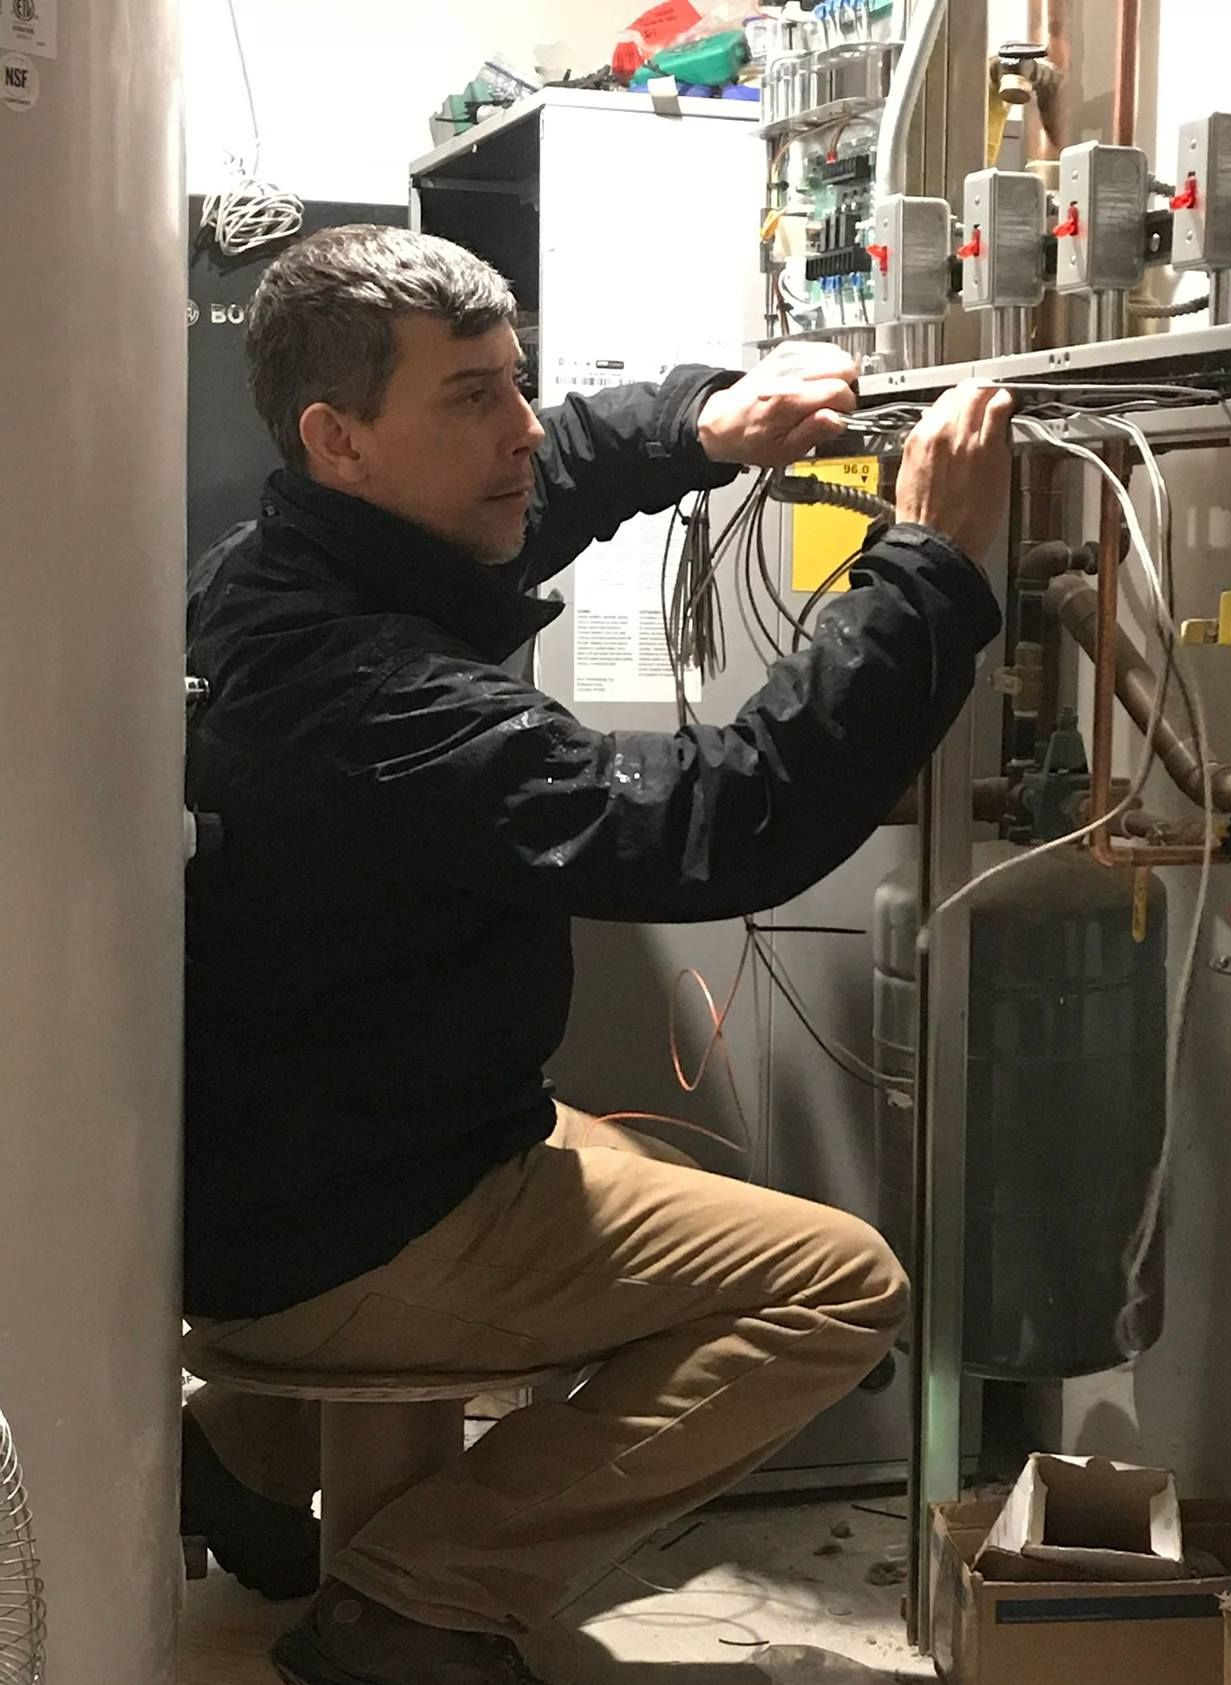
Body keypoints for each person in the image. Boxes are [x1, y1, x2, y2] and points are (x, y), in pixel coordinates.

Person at [181, 223, 1013, 1685]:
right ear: (341, 437)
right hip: (360, 1211)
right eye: (472, 399)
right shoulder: (368, 690)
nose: (519, 431)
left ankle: (248, 1460)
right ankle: (421, 1597)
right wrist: (926, 571)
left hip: (309, 1154)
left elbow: (540, 483)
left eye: (519, 383)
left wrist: (704, 420)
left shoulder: (289, 567)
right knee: (838, 1285)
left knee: (678, 1179)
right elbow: (707, 823)